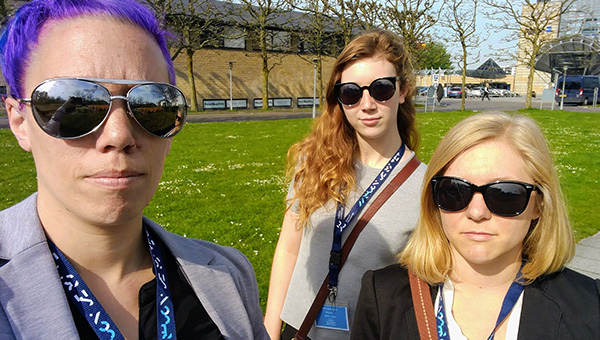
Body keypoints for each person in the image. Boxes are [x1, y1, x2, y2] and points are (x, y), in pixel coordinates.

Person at [0, 1, 269, 339]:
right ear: (19, 122)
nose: (119, 135)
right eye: (76, 105)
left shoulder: (229, 275)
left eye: (151, 104)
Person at [351, 112, 600, 339]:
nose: (477, 212)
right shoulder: (383, 297)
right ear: (433, 200)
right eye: (455, 191)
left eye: (504, 194)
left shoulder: (590, 305)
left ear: (539, 204)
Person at [263, 30, 427, 340]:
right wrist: (269, 329)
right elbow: (289, 247)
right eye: (352, 92)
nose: (366, 105)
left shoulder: (426, 186)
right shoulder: (316, 161)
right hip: (298, 330)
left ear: (403, 90)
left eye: (380, 89)